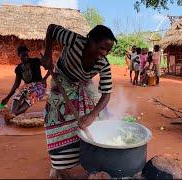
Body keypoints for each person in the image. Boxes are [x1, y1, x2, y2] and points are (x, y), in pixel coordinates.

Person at [41, 24, 116, 179]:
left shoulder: (104, 64)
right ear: (90, 41)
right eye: (101, 48)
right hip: (62, 77)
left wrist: (92, 115)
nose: (104, 53)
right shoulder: (74, 40)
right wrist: (48, 54)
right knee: (57, 118)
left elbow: (106, 94)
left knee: (100, 118)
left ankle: (90, 160)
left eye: (108, 50)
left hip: (84, 83)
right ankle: (58, 166)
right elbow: (51, 29)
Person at [0, 45, 50, 123]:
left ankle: (12, 114)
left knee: (29, 99)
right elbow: (16, 84)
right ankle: (13, 114)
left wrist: (45, 79)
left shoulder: (35, 61)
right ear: (19, 55)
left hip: (39, 85)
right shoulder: (19, 69)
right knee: (17, 95)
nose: (26, 57)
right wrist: (8, 97)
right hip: (27, 86)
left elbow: (50, 66)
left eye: (27, 55)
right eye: (23, 55)